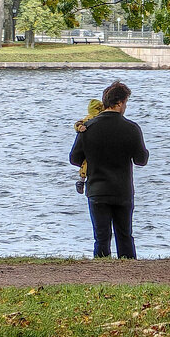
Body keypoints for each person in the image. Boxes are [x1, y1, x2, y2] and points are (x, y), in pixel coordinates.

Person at [69, 81, 149, 258]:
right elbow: (141, 160)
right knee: (125, 236)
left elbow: (74, 159)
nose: (125, 107)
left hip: (97, 190)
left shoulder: (87, 128)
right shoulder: (131, 128)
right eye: (125, 103)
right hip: (122, 191)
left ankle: (101, 274)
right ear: (119, 103)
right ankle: (130, 274)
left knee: (101, 238)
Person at [73, 98, 105, 194]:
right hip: (92, 151)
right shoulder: (88, 119)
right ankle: (81, 181)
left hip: (95, 149)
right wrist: (80, 128)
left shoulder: (93, 120)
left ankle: (82, 181)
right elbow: (77, 124)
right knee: (85, 166)